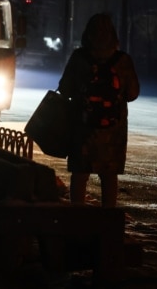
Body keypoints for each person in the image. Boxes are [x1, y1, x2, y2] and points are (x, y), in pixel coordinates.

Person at [58, 13, 139, 208]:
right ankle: (107, 218)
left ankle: (77, 216)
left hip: (83, 128)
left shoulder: (79, 58)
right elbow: (133, 93)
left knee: (80, 174)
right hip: (113, 132)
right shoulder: (123, 61)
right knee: (109, 175)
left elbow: (65, 88)